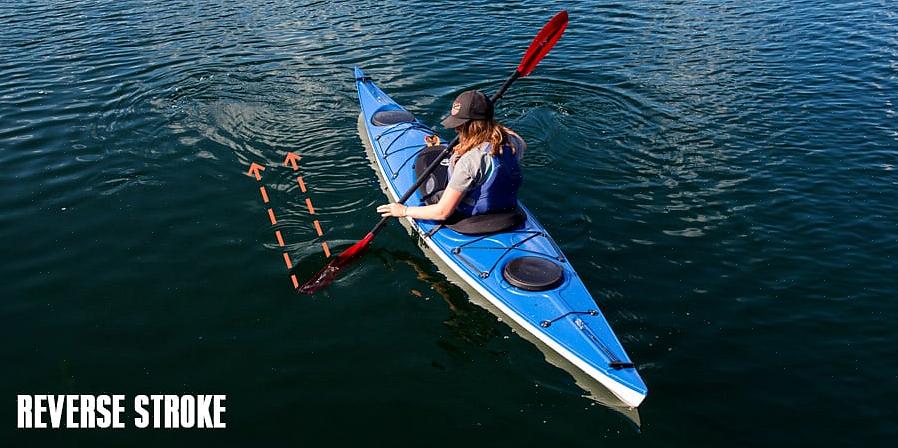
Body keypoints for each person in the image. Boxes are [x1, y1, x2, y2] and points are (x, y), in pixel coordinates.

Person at [376, 90, 526, 221]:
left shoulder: (468, 161)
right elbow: (502, 137)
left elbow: (442, 212)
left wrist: (404, 211)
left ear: (472, 126)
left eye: (459, 125)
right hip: (506, 209)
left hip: (471, 216)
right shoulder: (513, 141)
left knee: (430, 173)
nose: (456, 130)